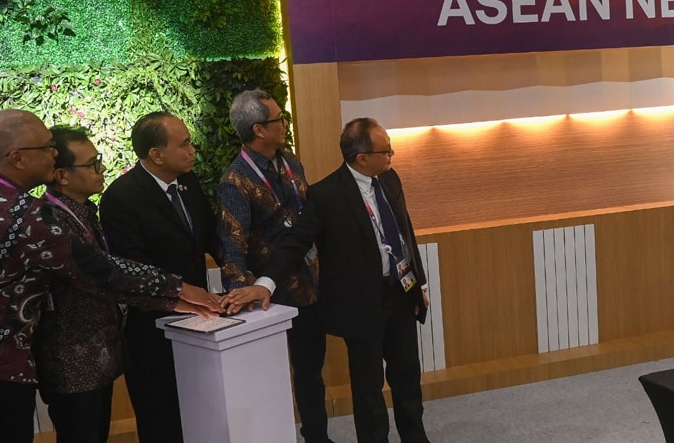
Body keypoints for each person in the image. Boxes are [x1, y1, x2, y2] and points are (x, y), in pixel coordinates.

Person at [0, 109, 223, 443]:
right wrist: (179, 289)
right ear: (17, 158)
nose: (54, 155)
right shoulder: (27, 216)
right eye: (46, 148)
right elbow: (101, 270)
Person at [227, 117, 432, 443]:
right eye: (386, 150)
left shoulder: (390, 178)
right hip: (360, 304)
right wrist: (265, 283)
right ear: (361, 157)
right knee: (368, 387)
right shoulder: (326, 195)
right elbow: (294, 243)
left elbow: (404, 233)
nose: (391, 155)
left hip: (400, 294)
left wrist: (419, 285)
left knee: (407, 376)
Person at [36, 125, 210, 443]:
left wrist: (178, 299)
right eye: (93, 163)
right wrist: (178, 290)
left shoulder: (83, 212)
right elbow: (110, 273)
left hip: (97, 359)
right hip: (73, 364)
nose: (102, 168)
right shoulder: (51, 221)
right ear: (62, 176)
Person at [99, 111, 222, 443]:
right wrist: (181, 293)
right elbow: (132, 268)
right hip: (153, 330)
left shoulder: (189, 183)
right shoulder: (121, 197)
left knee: (202, 414)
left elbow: (212, 236)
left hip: (199, 322)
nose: (192, 150)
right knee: (162, 420)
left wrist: (241, 275)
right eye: (184, 144)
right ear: (156, 154)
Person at [218, 90, 333, 443]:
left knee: (311, 371)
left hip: (309, 285)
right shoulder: (235, 181)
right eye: (278, 119)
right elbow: (232, 244)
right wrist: (241, 297)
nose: (285, 124)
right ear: (258, 129)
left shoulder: (290, 162)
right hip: (268, 295)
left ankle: (317, 436)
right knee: (269, 377)